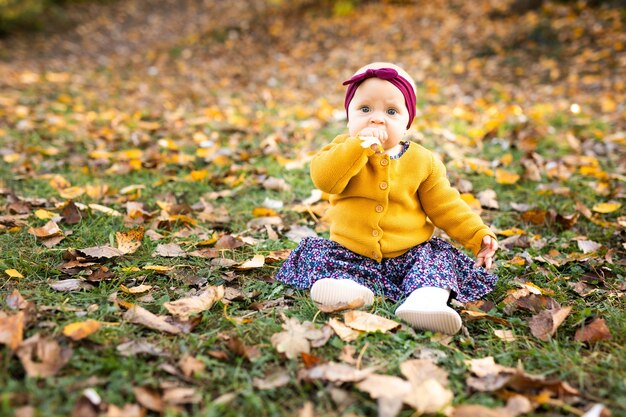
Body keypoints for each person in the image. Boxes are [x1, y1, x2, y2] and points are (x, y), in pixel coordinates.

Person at [276, 62, 498, 335]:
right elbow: (325, 180)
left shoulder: (423, 161)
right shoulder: (342, 150)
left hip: (409, 255)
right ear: (348, 117)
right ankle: (349, 291)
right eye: (365, 109)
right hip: (352, 252)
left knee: (437, 259)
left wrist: (477, 234)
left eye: (391, 111)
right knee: (321, 254)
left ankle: (426, 300)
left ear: (407, 123)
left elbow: (446, 206)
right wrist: (357, 148)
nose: (376, 119)